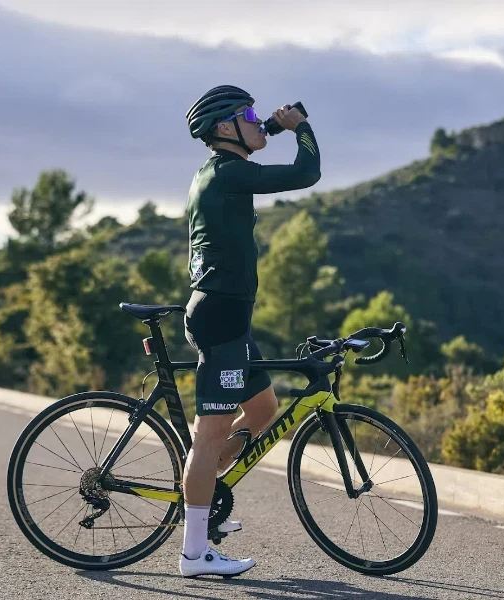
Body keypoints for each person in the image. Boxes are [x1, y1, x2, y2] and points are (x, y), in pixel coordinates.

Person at [179, 85, 321, 577]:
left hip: (226, 315)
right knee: (211, 435)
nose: (259, 120)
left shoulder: (217, 172)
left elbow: (258, 144)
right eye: (249, 114)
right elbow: (307, 173)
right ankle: (195, 552)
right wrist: (300, 128)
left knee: (262, 410)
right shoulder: (229, 173)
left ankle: (209, 494)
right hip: (220, 317)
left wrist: (271, 128)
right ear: (224, 128)